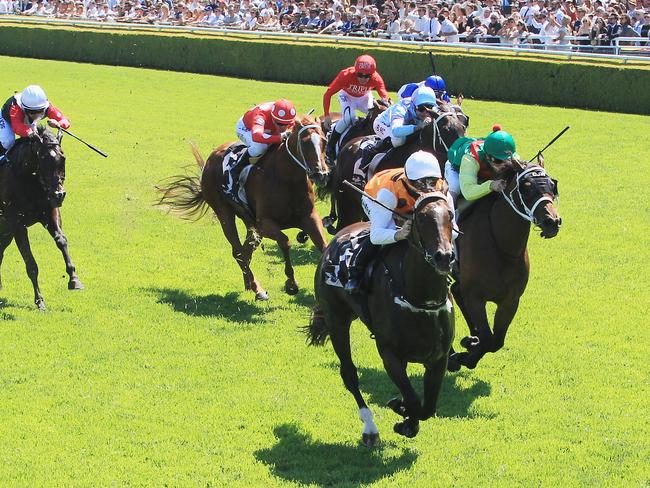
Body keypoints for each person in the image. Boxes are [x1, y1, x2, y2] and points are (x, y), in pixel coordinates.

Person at [344, 150, 453, 292]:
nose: (426, 188)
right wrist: (399, 234)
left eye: (431, 181)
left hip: (409, 204)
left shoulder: (442, 189)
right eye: (420, 183)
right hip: (376, 196)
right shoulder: (387, 194)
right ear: (409, 181)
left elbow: (453, 230)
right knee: (389, 230)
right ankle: (355, 272)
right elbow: (376, 236)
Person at [322, 54, 389, 162]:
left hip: (365, 96)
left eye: (367, 76)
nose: (363, 78)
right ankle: (331, 144)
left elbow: (383, 92)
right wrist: (326, 115)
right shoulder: (345, 75)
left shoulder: (376, 78)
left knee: (376, 118)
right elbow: (328, 94)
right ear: (355, 71)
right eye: (360, 74)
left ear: (372, 74)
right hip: (347, 96)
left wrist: (386, 100)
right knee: (350, 117)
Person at [224, 99, 296, 195]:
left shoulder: (288, 117)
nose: (283, 128)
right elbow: (257, 136)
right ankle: (235, 169)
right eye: (279, 124)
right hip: (246, 128)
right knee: (260, 146)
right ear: (272, 117)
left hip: (267, 130)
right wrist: (279, 137)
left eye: (286, 124)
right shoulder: (261, 115)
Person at [444, 124, 518, 203]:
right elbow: (468, 192)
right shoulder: (470, 158)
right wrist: (491, 185)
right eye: (499, 161)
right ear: (488, 156)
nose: (504, 164)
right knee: (454, 189)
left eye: (507, 160)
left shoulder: (511, 156)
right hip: (457, 170)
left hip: (482, 171)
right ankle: (452, 212)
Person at [0, 85, 70, 164]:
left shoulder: (47, 107)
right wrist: (29, 132)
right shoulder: (16, 108)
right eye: (32, 112)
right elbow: (17, 127)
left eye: (40, 111)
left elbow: (65, 121)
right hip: (6, 120)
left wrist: (58, 124)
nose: (36, 115)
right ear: (25, 108)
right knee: (7, 141)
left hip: (27, 122)